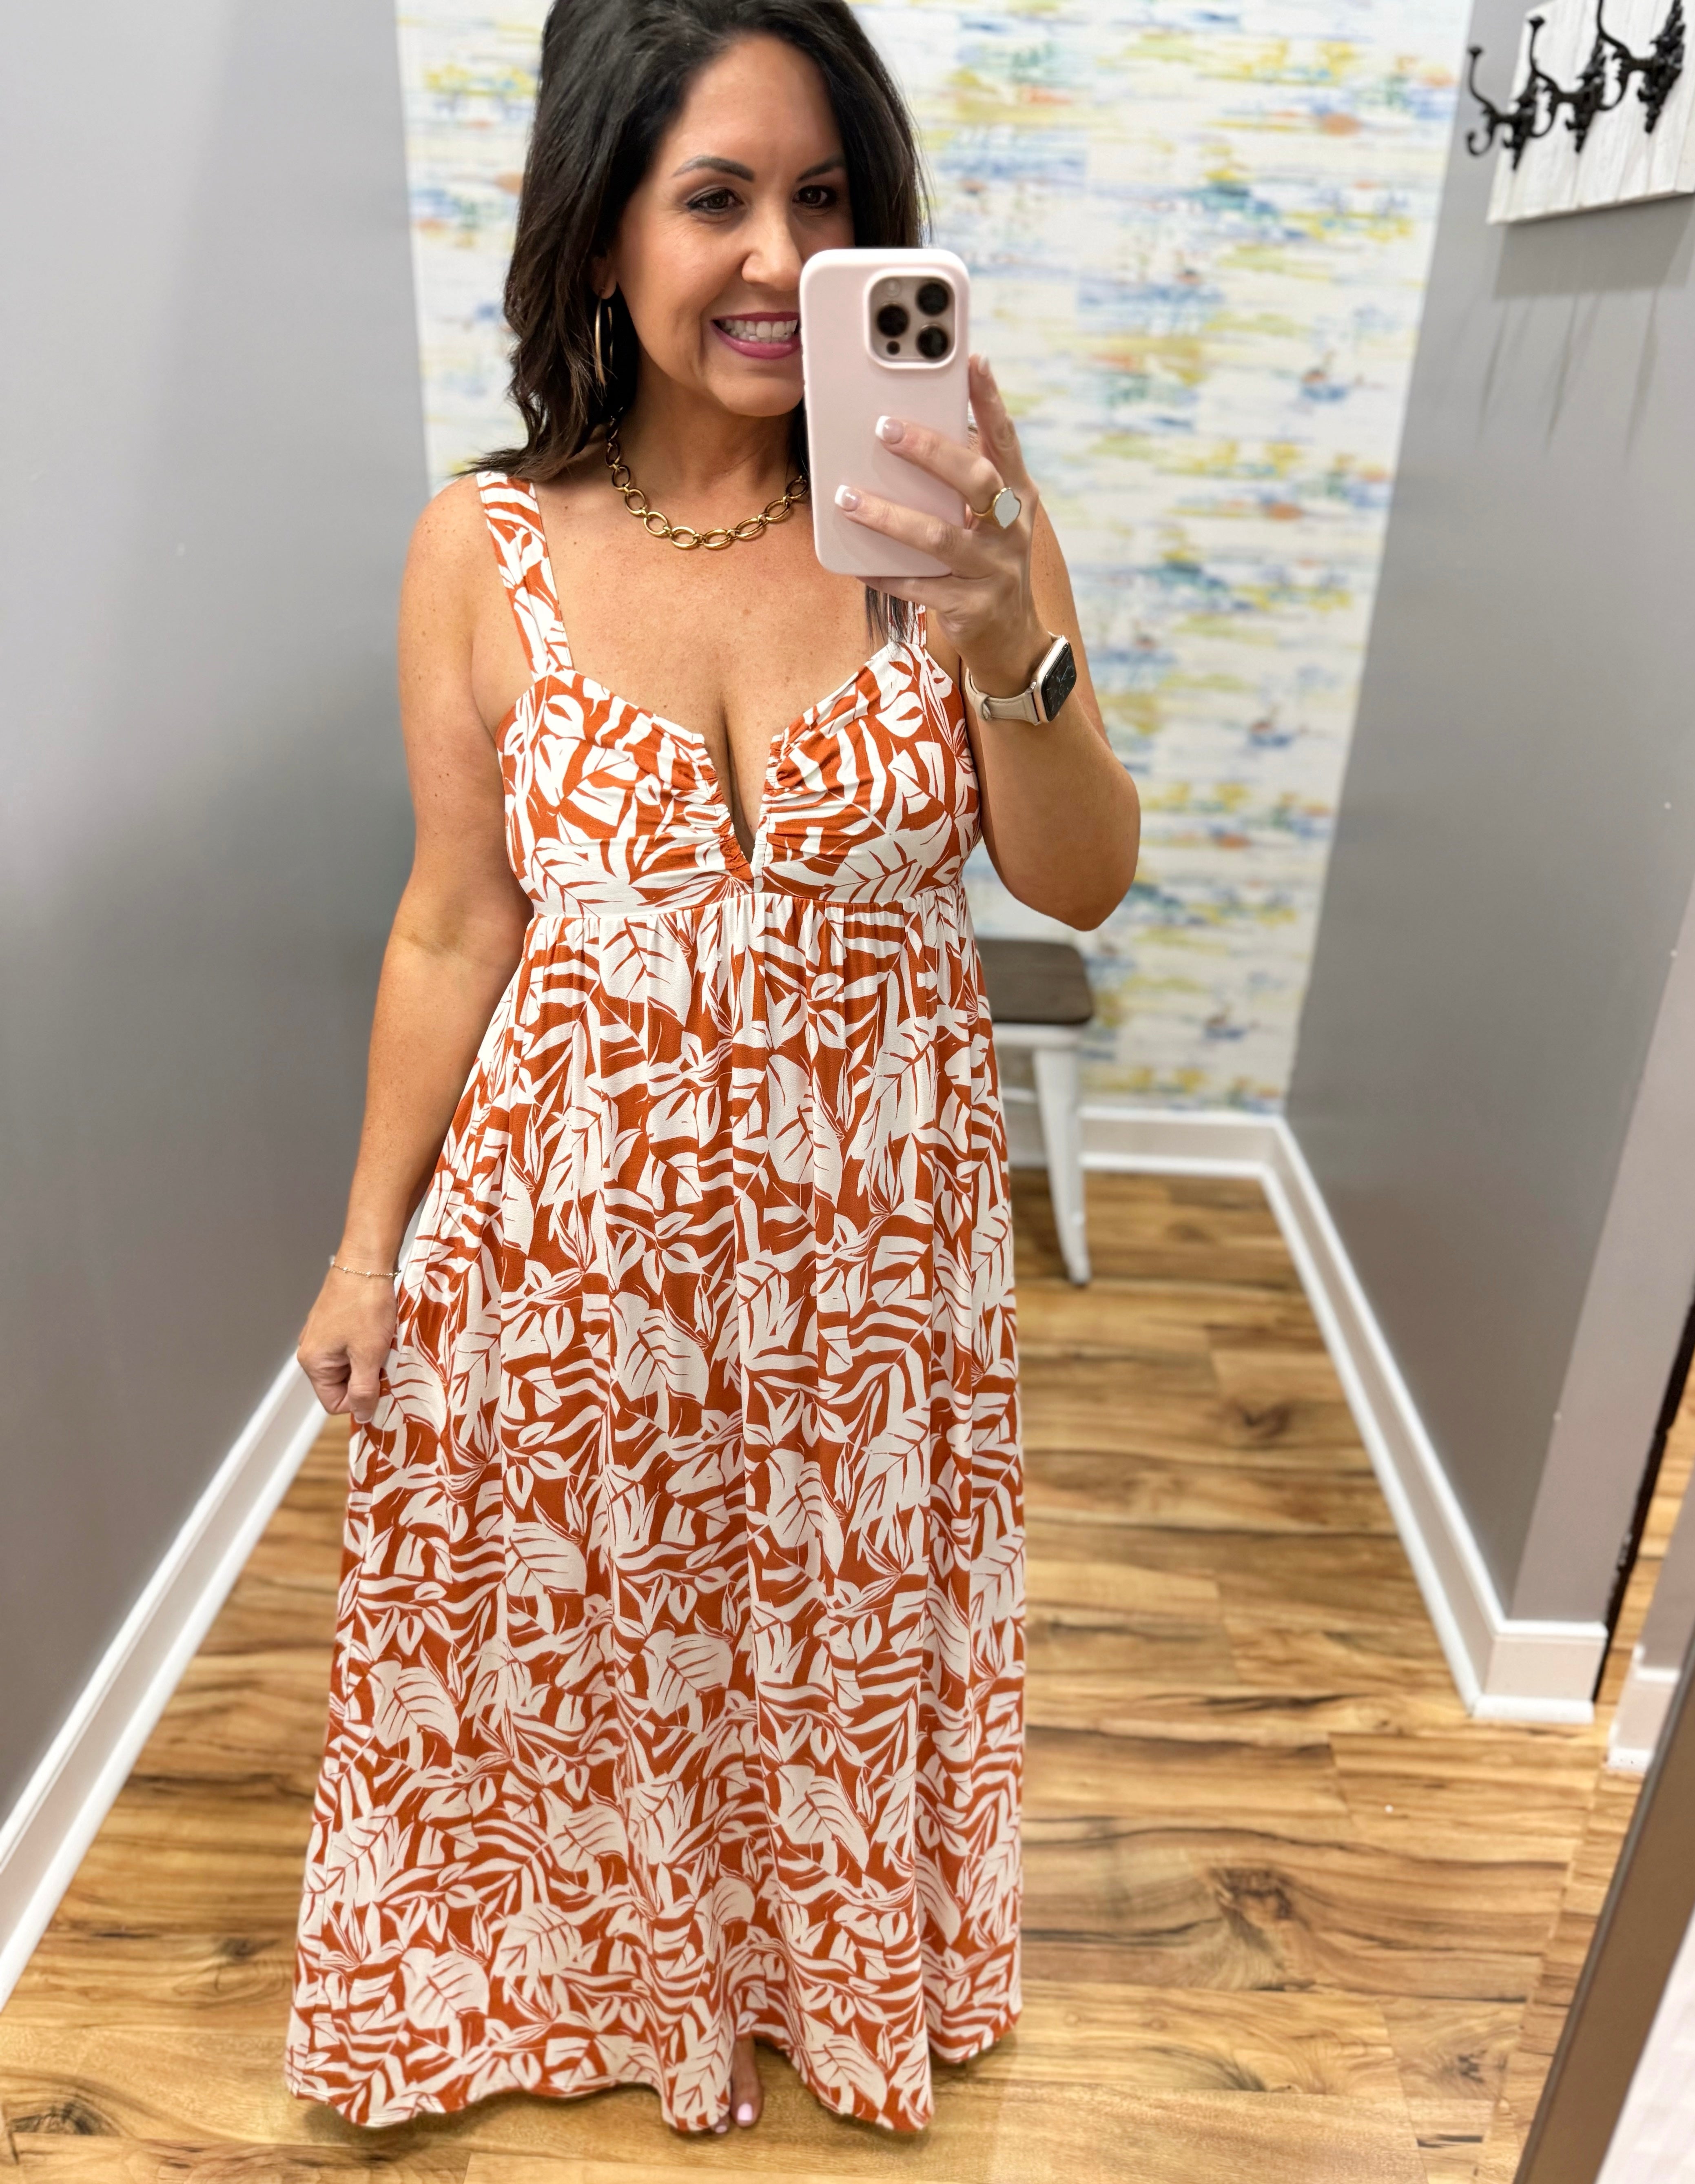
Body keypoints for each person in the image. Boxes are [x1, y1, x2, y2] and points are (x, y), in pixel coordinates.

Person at [286, 0, 1138, 2139]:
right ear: (600, 239)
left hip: (870, 1277)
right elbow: (453, 921)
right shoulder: (476, 555)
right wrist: (365, 1247)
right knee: (602, 1651)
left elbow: (1082, 878)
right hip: (568, 1275)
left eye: (827, 201)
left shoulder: (956, 513)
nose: (779, 259)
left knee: (841, 1636)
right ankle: (608, 1982)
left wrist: (995, 638)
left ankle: (818, 1970)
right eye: (718, 198)